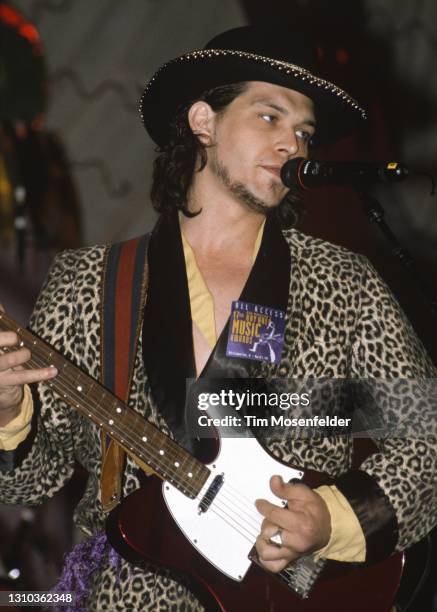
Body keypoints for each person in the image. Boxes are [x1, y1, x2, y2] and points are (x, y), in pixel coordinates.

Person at [0, 25, 436, 611]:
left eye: (304, 131)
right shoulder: (92, 283)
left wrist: (332, 521)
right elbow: (30, 481)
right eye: (269, 117)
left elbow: (424, 436)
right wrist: (8, 416)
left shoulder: (345, 283)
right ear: (203, 122)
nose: (293, 144)